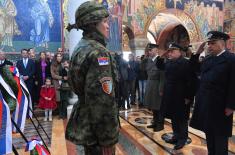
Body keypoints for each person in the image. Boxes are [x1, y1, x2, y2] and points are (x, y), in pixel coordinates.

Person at [65, 1, 119, 155]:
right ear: (92, 23)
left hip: (87, 123)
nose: (108, 26)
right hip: (98, 130)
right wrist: (107, 139)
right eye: (104, 21)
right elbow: (102, 101)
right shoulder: (99, 52)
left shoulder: (81, 47)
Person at [190, 31, 235, 155]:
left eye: (212, 43)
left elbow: (233, 84)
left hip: (221, 105)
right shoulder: (209, 59)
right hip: (206, 102)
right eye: (208, 43)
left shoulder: (231, 59)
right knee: (209, 132)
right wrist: (197, 53)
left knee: (220, 136)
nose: (209, 46)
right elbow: (194, 69)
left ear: (222, 43)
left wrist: (231, 105)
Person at [160, 43, 194, 150]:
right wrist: (163, 55)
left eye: (172, 51)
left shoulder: (186, 63)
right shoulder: (170, 62)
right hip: (170, 95)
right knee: (174, 118)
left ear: (180, 51)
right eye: (169, 51)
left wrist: (188, 97)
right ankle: (176, 136)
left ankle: (182, 139)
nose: (170, 53)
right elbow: (159, 65)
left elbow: (191, 82)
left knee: (182, 119)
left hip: (181, 96)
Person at [144, 43, 165, 132]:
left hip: (157, 85)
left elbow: (162, 76)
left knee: (159, 106)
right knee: (153, 105)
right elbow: (145, 71)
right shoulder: (148, 60)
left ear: (156, 51)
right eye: (148, 50)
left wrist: (161, 89)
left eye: (150, 50)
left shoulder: (160, 60)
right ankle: (155, 122)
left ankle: (160, 125)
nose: (149, 52)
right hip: (150, 84)